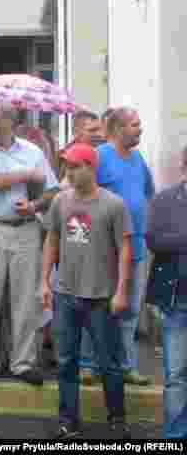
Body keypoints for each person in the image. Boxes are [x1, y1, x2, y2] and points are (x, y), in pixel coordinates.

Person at [40, 143, 131, 440]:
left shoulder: (113, 204)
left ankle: (117, 419)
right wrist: (44, 282)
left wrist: (121, 291)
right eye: (67, 166)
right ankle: (68, 420)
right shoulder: (60, 201)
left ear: (91, 168)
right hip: (65, 294)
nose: (69, 172)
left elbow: (125, 249)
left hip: (101, 297)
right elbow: (52, 239)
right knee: (66, 361)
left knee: (109, 363)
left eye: (75, 166)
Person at [0, 101, 58, 387]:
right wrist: (28, 174)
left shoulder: (32, 151)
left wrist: (34, 205)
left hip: (25, 228)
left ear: (12, 121)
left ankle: (23, 362)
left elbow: (52, 190)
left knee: (26, 298)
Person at [88, 106, 155, 386]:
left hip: (136, 247)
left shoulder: (138, 158)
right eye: (135, 125)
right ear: (117, 129)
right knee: (96, 308)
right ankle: (91, 366)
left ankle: (126, 366)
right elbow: (82, 195)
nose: (140, 129)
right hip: (105, 248)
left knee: (129, 311)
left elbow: (148, 193)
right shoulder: (100, 156)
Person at [145, 144, 187, 439]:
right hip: (177, 299)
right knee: (176, 376)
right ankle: (175, 435)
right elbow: (155, 241)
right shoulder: (164, 200)